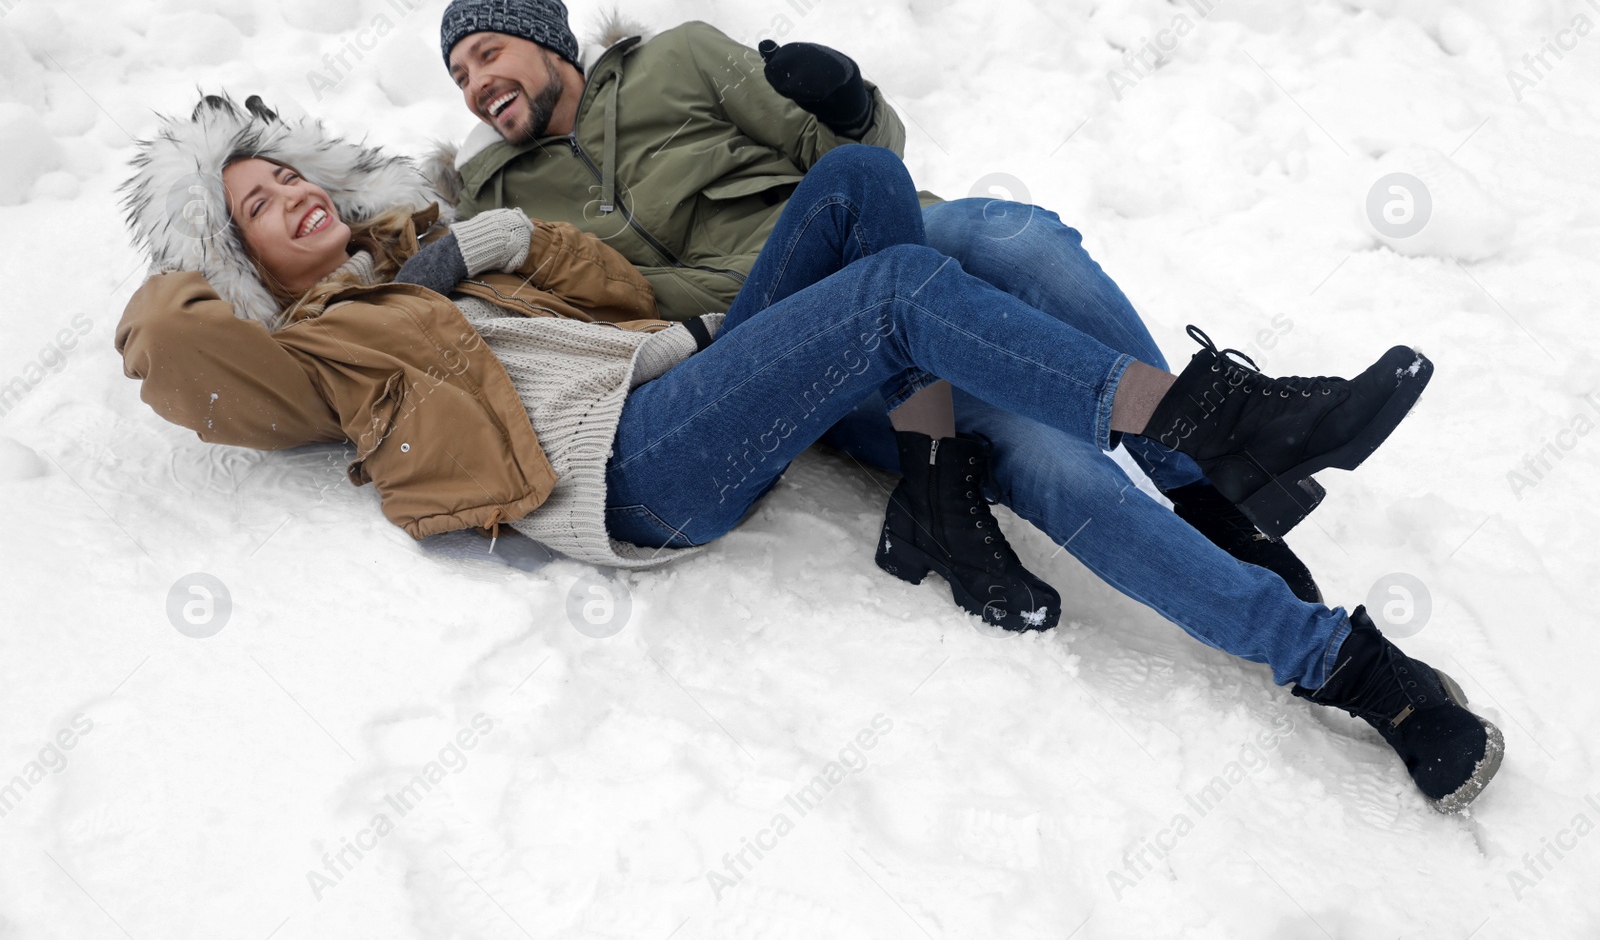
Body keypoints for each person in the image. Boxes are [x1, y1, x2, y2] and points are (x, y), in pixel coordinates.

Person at [115, 95, 1502, 812]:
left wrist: (492, 243)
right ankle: (1239, 481)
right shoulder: (305, 353)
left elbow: (618, 299)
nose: (292, 192)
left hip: (682, 376)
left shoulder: (426, 259)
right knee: (904, 296)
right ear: (232, 258)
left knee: (861, 189)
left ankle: (947, 494)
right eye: (256, 201)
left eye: (291, 170)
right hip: (624, 473)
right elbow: (163, 343)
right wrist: (205, 210)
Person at [433, 0, 1328, 624]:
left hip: (880, 234)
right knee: (1054, 465)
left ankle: (1204, 479)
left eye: (487, 53)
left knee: (1009, 233)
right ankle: (1305, 642)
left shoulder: (682, 58)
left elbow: (865, 160)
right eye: (461, 77)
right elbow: (577, 320)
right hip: (793, 330)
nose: (477, 86)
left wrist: (847, 103)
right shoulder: (498, 196)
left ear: (546, 39)